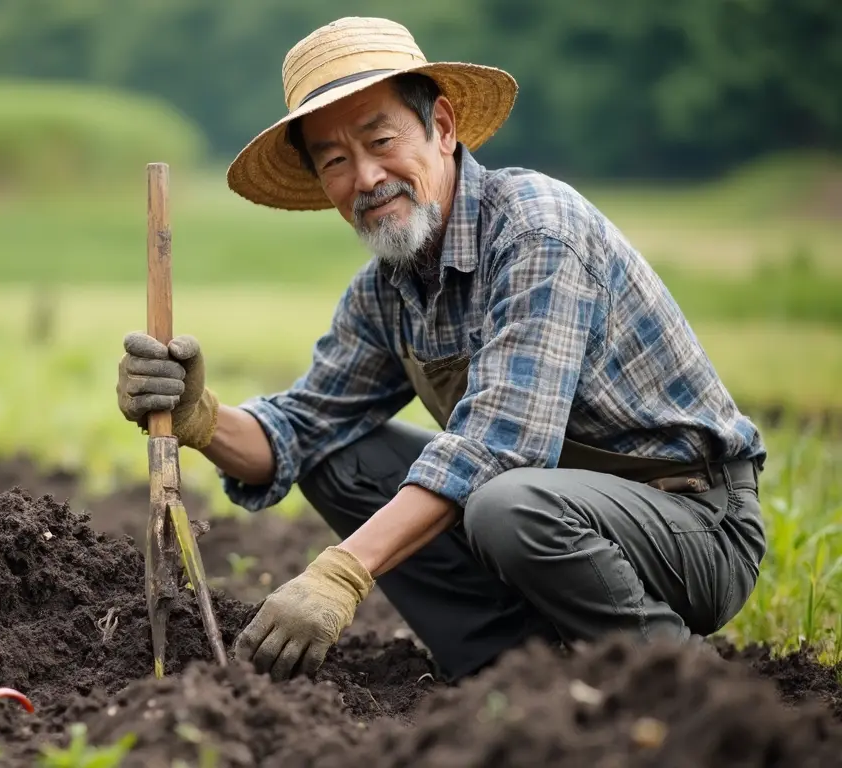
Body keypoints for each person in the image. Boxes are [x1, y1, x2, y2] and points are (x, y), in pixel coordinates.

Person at [115, 16, 768, 683]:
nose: (367, 178)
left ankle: (674, 678)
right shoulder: (385, 292)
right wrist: (199, 416)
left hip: (692, 521)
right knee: (340, 456)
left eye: (381, 140)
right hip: (558, 516)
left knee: (505, 504)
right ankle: (510, 674)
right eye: (336, 161)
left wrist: (341, 573)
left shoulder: (537, 229)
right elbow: (298, 429)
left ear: (445, 130)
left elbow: (501, 447)